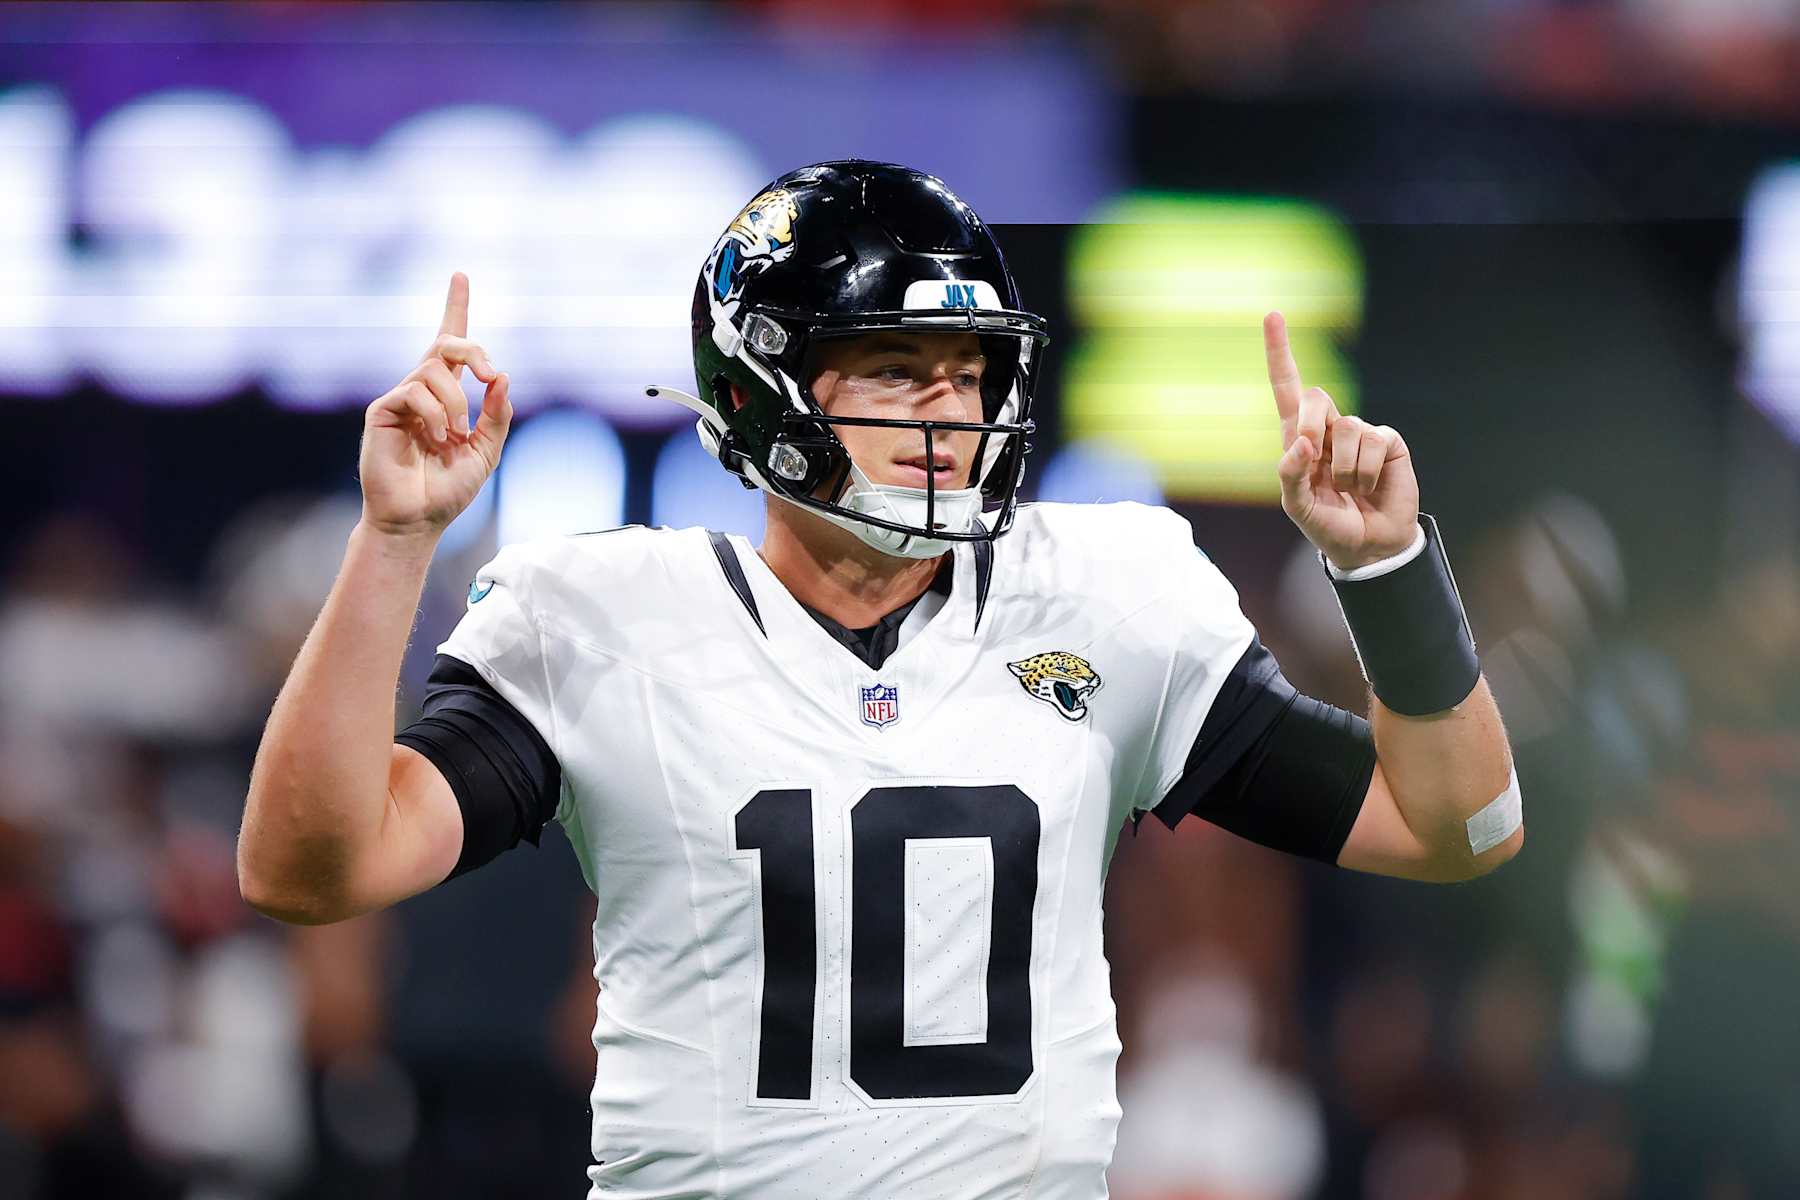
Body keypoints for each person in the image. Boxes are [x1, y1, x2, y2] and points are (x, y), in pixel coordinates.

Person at [237, 161, 1522, 1199]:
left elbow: (1456, 825)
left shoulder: (1104, 597)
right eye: (899, 371)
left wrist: (1390, 571)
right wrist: (395, 541)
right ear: (759, 388)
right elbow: (310, 869)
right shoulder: (608, 618)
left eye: (968, 377)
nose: (948, 415)